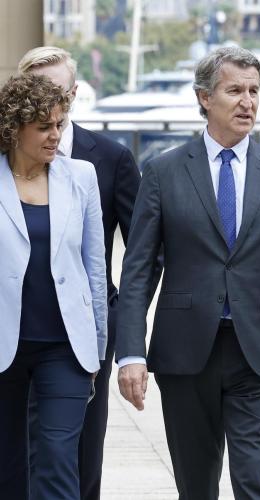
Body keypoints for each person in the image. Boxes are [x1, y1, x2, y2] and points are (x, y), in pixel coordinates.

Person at [115, 46, 260, 500]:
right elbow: (138, 270)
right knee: (196, 488)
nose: (247, 102)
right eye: (234, 91)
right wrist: (130, 353)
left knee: (255, 479)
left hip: (257, 354)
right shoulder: (163, 172)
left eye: (254, 91)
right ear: (204, 97)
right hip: (185, 354)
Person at [16, 45, 145, 500]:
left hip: (80, 332)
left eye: (58, 93)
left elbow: (140, 250)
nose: (50, 105)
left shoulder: (107, 159)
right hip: (14, 333)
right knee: (20, 453)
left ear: (73, 95)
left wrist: (120, 330)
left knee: (78, 448)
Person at [0, 73, 107, 499]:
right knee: (8, 467)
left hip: (66, 347)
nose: (56, 135)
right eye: (44, 126)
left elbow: (94, 267)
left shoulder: (81, 176)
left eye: (59, 124)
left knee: (59, 460)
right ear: (14, 128)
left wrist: (97, 347)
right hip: (4, 344)